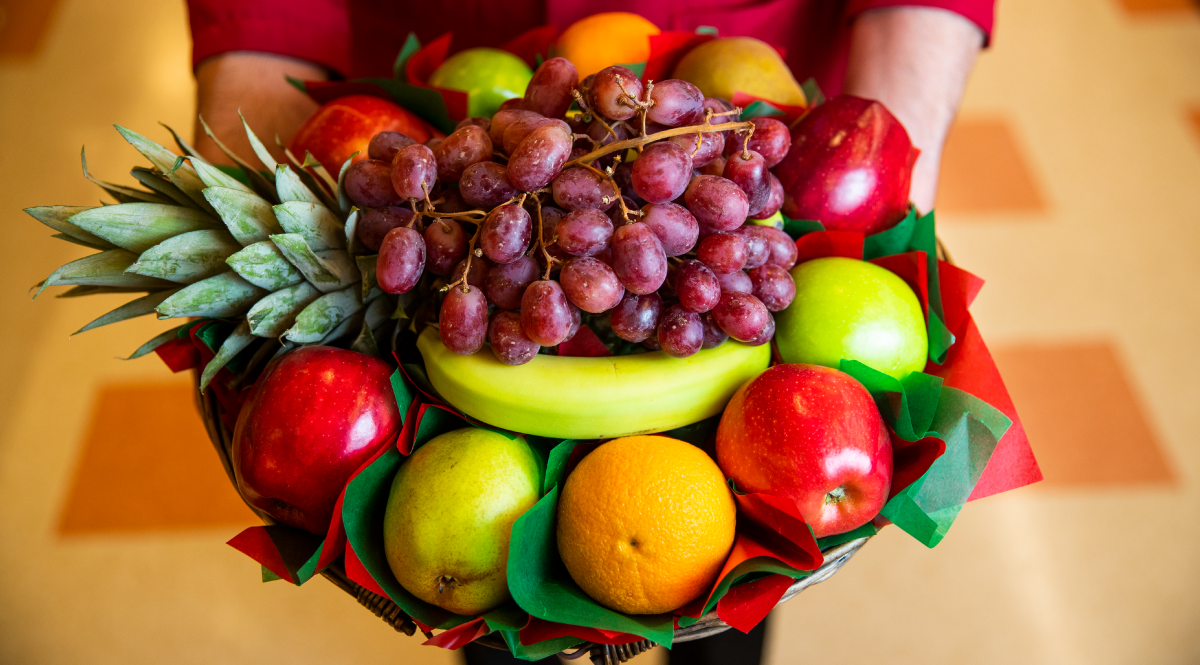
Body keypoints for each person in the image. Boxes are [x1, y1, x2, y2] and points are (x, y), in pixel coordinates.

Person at [185, 1, 988, 662]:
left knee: (734, 610)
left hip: (743, 98)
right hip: (457, 90)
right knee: (490, 612)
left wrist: (890, 162)